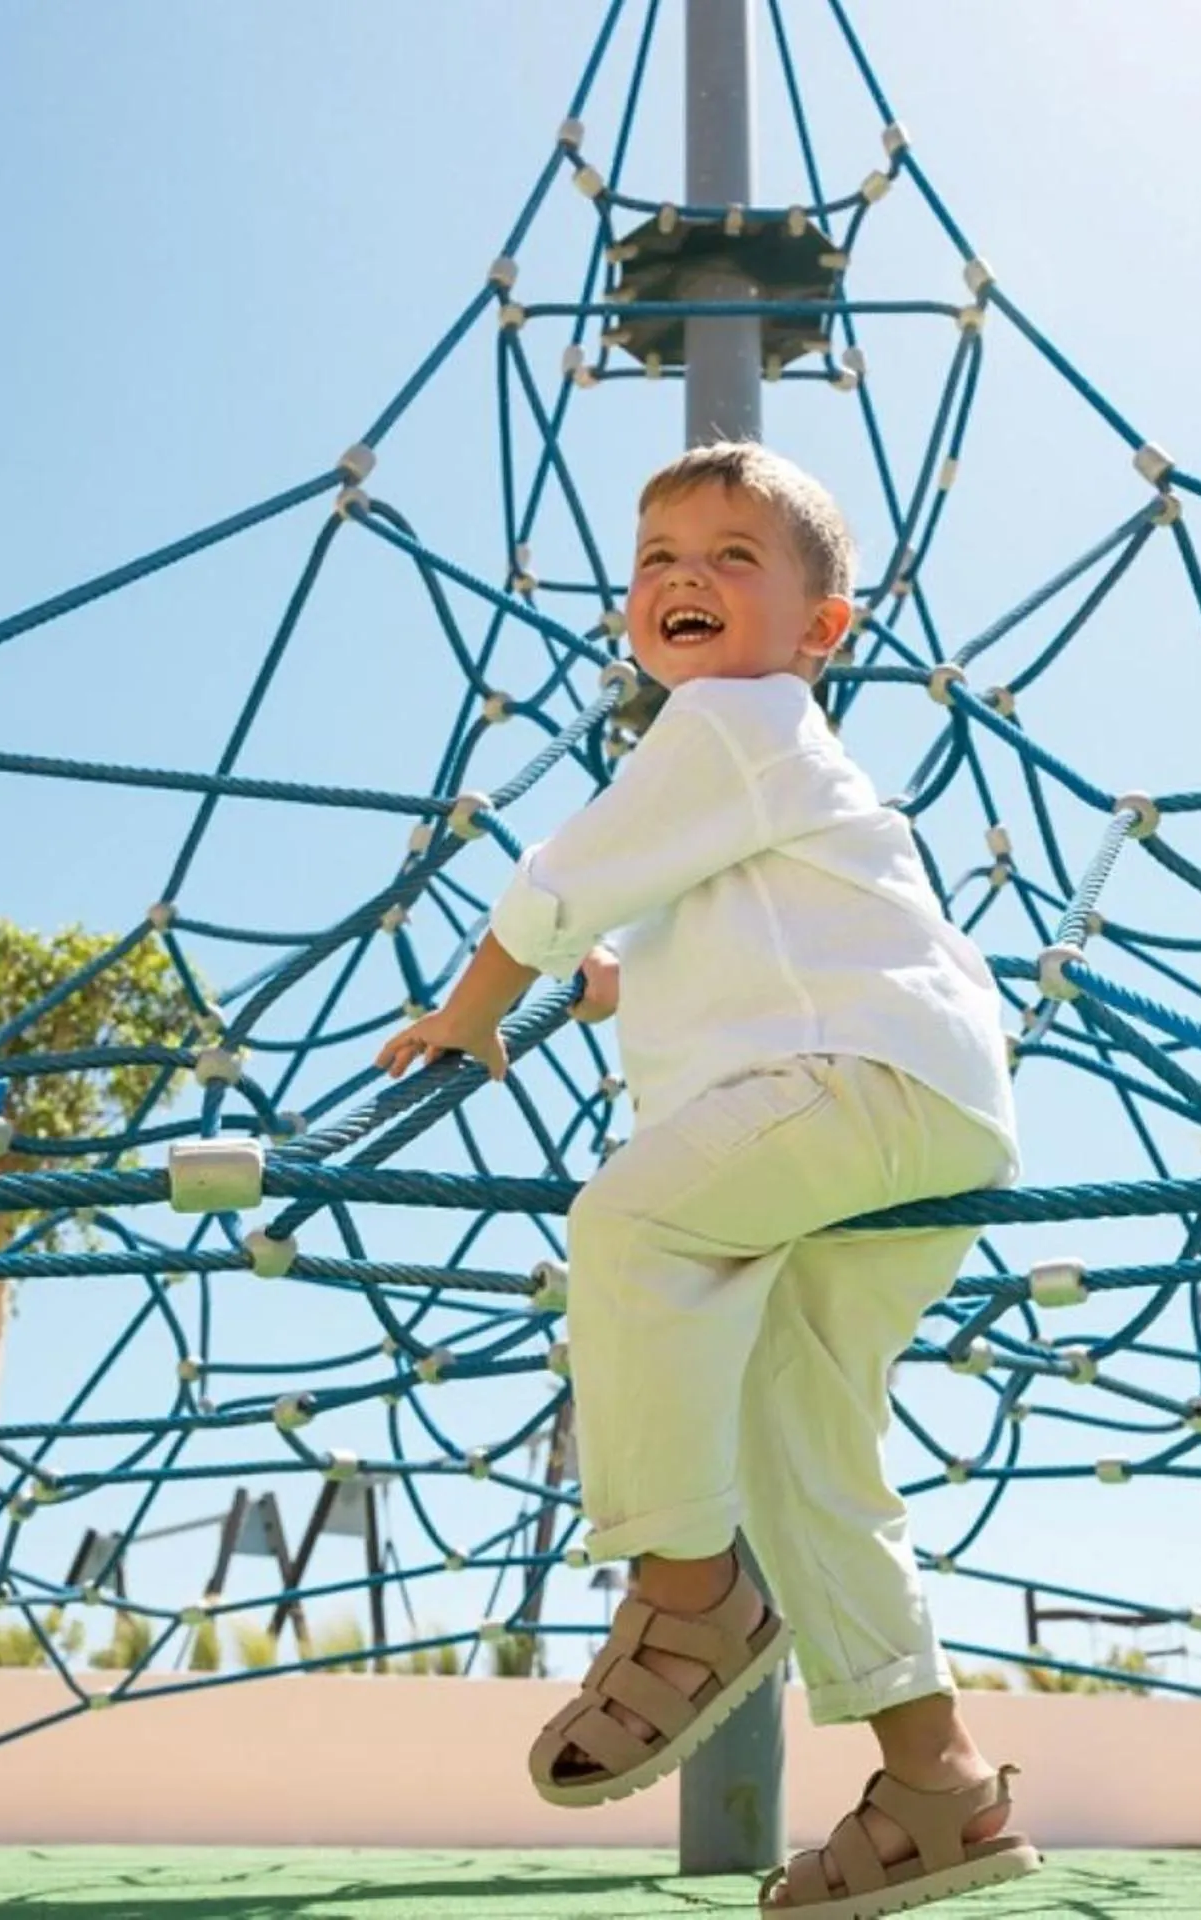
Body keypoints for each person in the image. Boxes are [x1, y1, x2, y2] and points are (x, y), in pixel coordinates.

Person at [376, 442, 1040, 1917]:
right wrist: (621, 985)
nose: (686, 577)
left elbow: (563, 879)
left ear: (820, 628)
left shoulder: (735, 717)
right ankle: (937, 1781)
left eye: (736, 556)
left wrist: (476, 1009)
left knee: (629, 1222)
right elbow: (730, 929)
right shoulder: (759, 774)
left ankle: (690, 1594)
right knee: (803, 1447)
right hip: (910, 1118)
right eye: (659, 559)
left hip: (854, 1088)